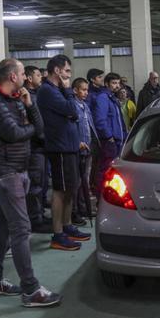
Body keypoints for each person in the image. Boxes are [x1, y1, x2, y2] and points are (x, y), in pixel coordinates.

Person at [0, 58, 61, 308]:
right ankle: (31, 290)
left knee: (2, 229)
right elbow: (13, 133)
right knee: (22, 229)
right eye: (24, 73)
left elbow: (39, 128)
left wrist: (30, 107)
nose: (27, 77)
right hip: (5, 173)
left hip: (17, 170)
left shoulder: (14, 100)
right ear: (12, 76)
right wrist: (30, 129)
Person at [36, 54, 89, 250]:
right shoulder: (48, 91)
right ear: (57, 71)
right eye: (67, 71)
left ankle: (67, 226)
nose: (69, 75)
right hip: (59, 148)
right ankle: (58, 234)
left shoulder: (55, 90)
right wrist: (68, 89)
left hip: (70, 146)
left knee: (70, 189)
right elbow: (72, 110)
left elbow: (71, 113)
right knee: (60, 190)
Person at [23, 65, 49, 233]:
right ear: (29, 78)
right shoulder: (26, 98)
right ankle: (35, 220)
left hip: (42, 146)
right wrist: (42, 137)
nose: (42, 78)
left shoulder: (37, 95)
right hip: (34, 146)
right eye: (39, 75)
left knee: (43, 182)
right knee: (35, 184)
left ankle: (40, 214)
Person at [91, 71, 127, 183]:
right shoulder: (103, 97)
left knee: (113, 171)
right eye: (114, 83)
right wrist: (108, 136)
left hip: (117, 141)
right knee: (105, 169)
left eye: (118, 83)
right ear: (107, 84)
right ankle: (101, 196)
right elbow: (100, 120)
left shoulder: (112, 98)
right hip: (110, 141)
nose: (117, 86)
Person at [71, 77, 96, 225]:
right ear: (75, 90)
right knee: (77, 182)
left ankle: (84, 207)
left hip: (88, 148)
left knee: (84, 181)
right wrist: (77, 142)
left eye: (87, 90)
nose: (86, 92)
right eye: (83, 89)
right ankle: (75, 211)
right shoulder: (72, 106)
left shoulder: (85, 106)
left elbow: (89, 126)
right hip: (78, 149)